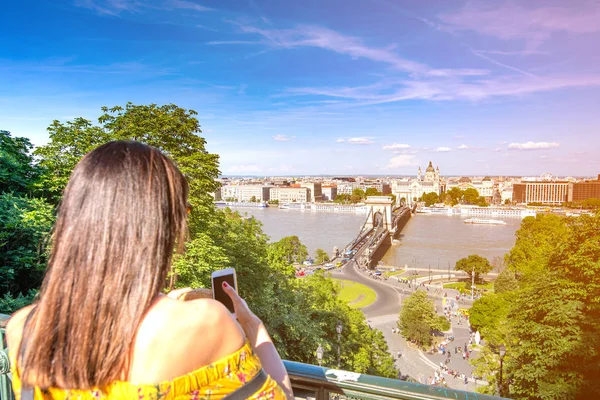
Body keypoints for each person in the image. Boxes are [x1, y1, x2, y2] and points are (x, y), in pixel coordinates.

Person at [6, 141, 293, 399]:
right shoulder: (206, 322)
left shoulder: (23, 329)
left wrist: (161, 300)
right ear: (162, 226)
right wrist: (254, 326)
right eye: (184, 212)